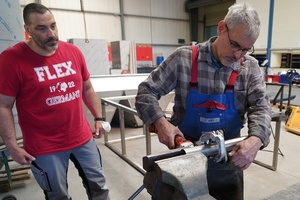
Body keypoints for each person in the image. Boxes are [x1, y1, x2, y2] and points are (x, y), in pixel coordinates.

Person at [135, 2, 271, 200]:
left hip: (228, 163)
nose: (237, 55)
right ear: (222, 28)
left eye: (245, 49)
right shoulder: (184, 59)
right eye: (234, 45)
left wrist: (256, 139)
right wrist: (160, 122)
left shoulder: (249, 67)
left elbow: (261, 106)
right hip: (184, 159)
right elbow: (145, 92)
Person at [0, 3, 109, 200]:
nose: (51, 34)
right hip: (44, 147)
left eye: (53, 26)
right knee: (57, 196)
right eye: (41, 28)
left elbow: (86, 87)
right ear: (27, 30)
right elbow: (3, 106)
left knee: (99, 188)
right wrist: (12, 146)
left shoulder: (73, 52)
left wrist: (99, 117)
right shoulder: (11, 59)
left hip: (82, 138)